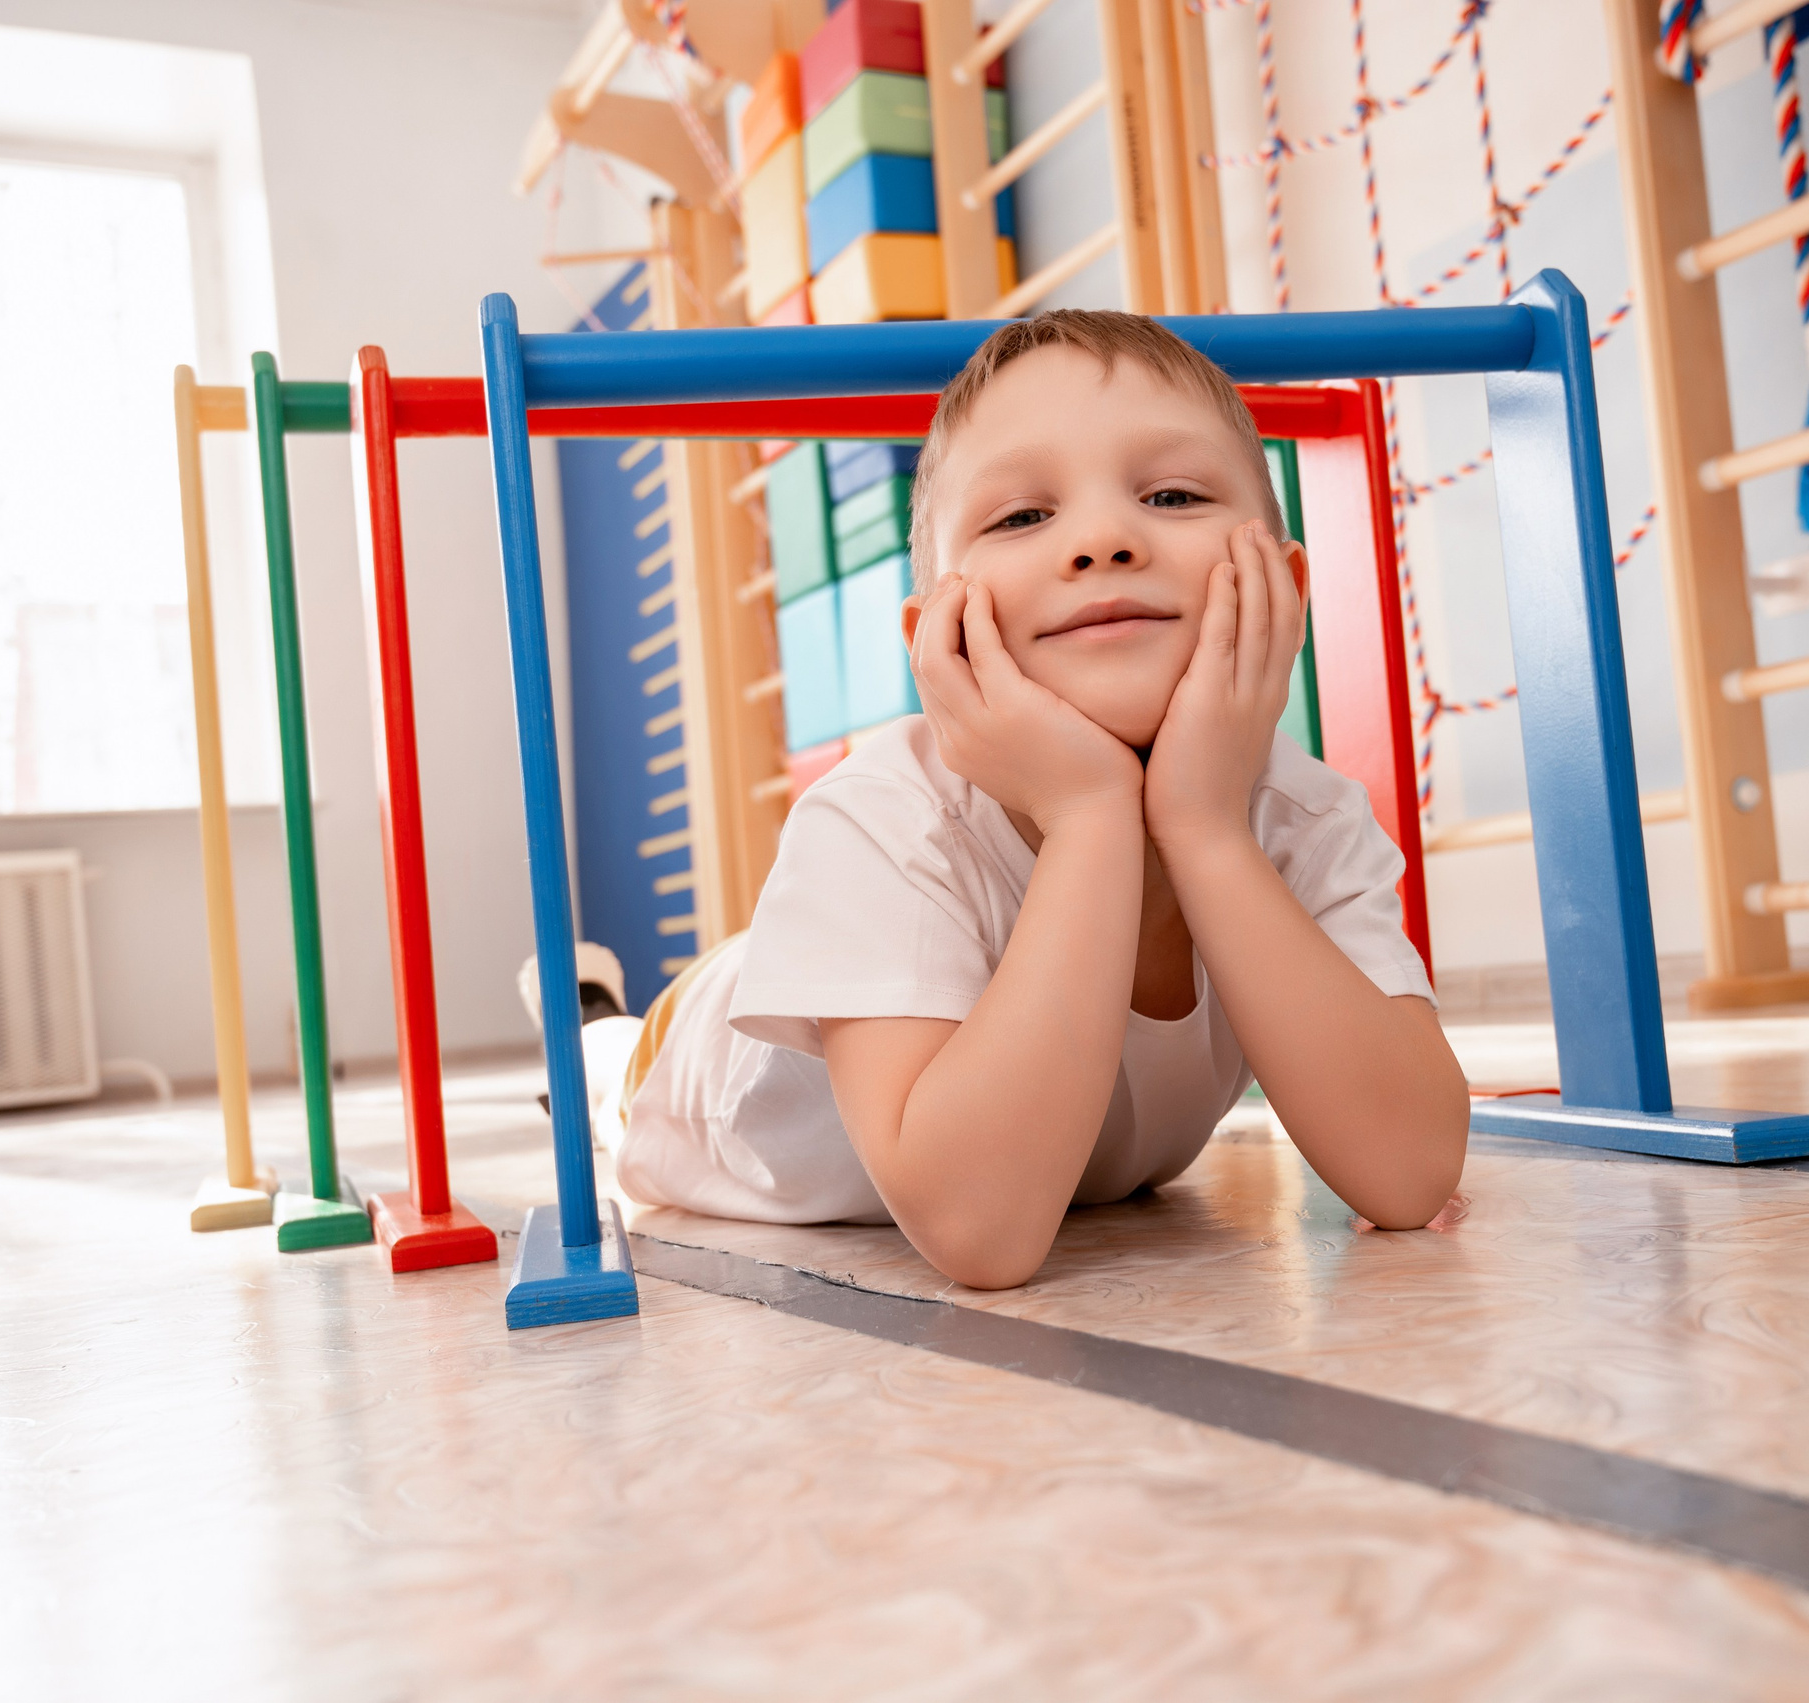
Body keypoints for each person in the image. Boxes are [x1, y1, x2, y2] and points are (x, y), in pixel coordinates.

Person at [608, 310, 1469, 1288]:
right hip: (698, 1057)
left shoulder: (1303, 818)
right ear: (937, 629)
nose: (1102, 539)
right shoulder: (880, 822)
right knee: (614, 1062)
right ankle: (603, 1025)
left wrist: (1203, 826)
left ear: (1284, 581)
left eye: (1174, 494)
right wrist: (1094, 814)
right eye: (1022, 516)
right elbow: (982, 1231)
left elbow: (1406, 1174)